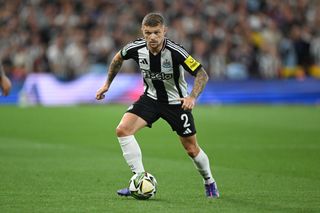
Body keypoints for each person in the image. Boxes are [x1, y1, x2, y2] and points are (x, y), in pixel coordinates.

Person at [96, 12, 219, 198]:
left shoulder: (176, 52)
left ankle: (209, 181)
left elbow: (202, 74)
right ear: (142, 32)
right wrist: (107, 84)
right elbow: (117, 59)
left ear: (164, 31)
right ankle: (139, 179)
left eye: (156, 32)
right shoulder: (136, 48)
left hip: (176, 103)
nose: (152, 37)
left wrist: (192, 97)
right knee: (122, 130)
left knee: (192, 149)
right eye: (148, 33)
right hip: (150, 99)